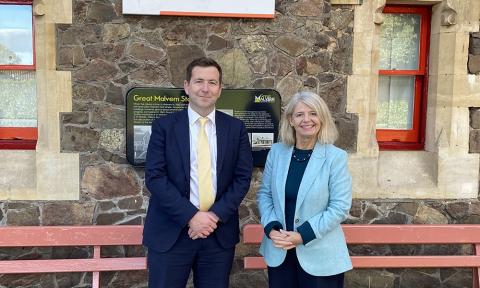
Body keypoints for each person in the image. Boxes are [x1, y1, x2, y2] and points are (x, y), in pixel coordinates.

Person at [143, 57, 253, 288]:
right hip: (171, 233)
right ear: (186, 86)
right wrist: (191, 217)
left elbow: (242, 178)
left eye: (212, 82)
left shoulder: (236, 129)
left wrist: (212, 217)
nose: (205, 88)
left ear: (220, 89)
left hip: (217, 233)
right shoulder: (164, 126)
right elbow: (155, 177)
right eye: (199, 81)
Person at [257, 91, 352, 288]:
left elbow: (340, 207)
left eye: (313, 113)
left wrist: (302, 235)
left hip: (320, 255)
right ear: (290, 120)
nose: (306, 120)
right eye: (299, 114)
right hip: (280, 250)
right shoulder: (277, 152)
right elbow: (265, 195)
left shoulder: (335, 157)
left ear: (322, 119)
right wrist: (272, 228)